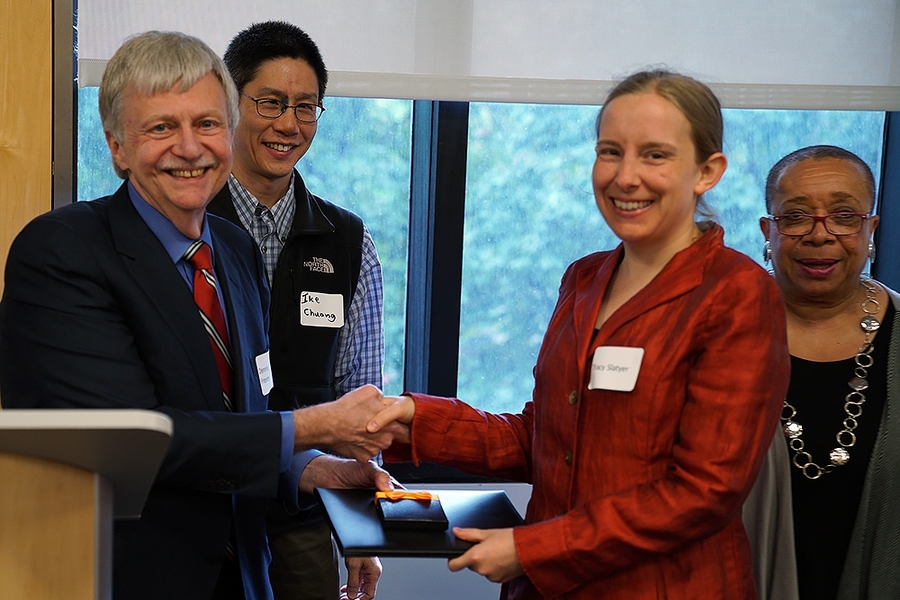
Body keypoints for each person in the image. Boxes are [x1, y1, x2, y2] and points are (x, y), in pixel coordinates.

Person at [0, 30, 396, 600]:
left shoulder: (234, 252)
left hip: (246, 577)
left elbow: (243, 416)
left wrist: (312, 469)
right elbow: (131, 442)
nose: (190, 148)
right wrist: (317, 427)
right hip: (121, 580)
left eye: (207, 123)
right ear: (117, 147)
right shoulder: (62, 251)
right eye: (162, 127)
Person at [368, 69, 791, 599]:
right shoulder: (584, 278)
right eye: (610, 152)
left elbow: (704, 492)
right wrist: (415, 420)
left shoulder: (737, 293)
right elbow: (546, 438)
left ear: (707, 171)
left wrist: (533, 549)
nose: (625, 177)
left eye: (655, 155)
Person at [206, 21, 385, 600]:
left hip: (303, 516)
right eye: (271, 103)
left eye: (306, 107)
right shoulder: (187, 225)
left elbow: (362, 403)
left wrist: (360, 528)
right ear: (231, 104)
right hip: (200, 508)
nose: (289, 124)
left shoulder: (348, 242)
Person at [747, 145, 900, 600]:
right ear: (768, 231)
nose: (820, 235)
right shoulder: (717, 333)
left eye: (844, 216)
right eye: (795, 217)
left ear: (871, 229)